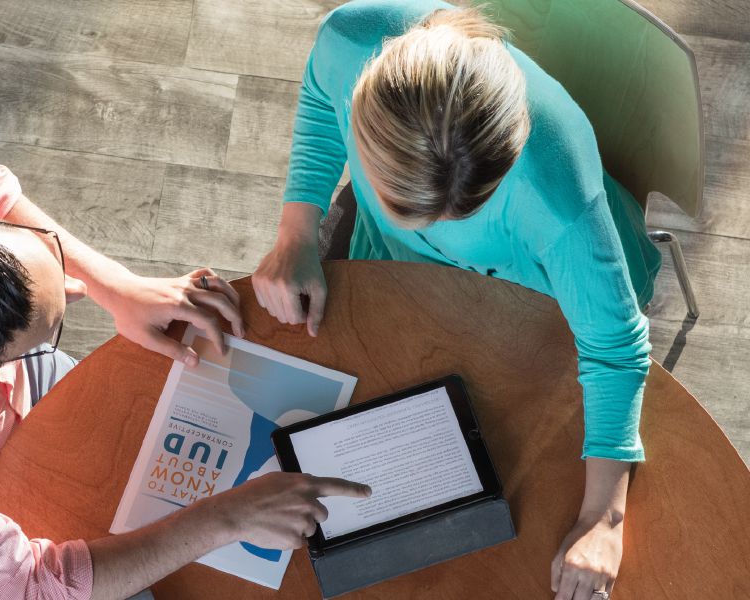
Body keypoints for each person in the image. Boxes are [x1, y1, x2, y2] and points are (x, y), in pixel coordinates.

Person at [0, 118, 371, 600]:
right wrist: (224, 520)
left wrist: (117, 285)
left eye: (46, 256)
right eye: (54, 328)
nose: (77, 291)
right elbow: (31, 587)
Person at [252, 3, 662, 600]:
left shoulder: (555, 186)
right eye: (408, 210)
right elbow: (320, 95)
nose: (429, 232)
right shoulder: (351, 37)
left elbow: (616, 347)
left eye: (456, 214)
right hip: (398, 277)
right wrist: (295, 233)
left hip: (536, 303)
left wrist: (605, 519)